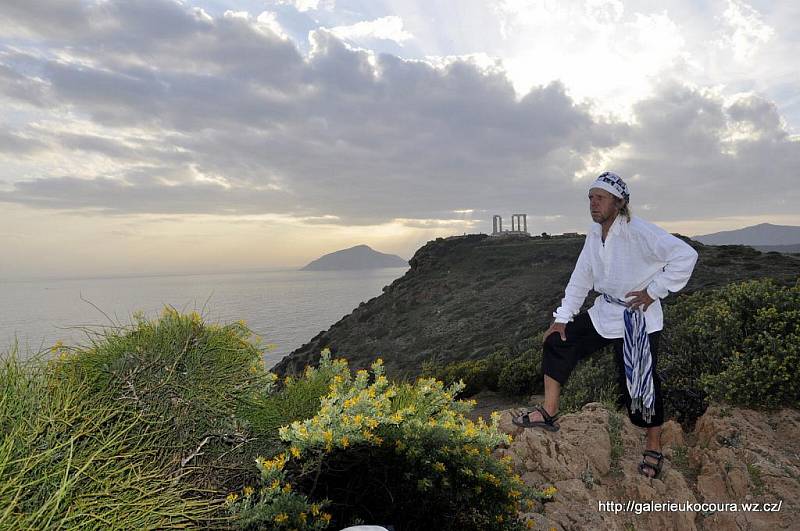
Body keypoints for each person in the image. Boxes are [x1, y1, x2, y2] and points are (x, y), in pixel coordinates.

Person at [512, 171, 698, 479]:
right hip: (604, 312)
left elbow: (685, 255)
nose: (593, 203)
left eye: (600, 198)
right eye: (590, 197)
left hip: (637, 318)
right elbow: (581, 277)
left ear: (619, 202)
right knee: (558, 341)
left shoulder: (640, 232)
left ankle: (653, 444)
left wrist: (653, 292)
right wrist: (562, 318)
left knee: (641, 386)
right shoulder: (593, 234)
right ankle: (548, 412)